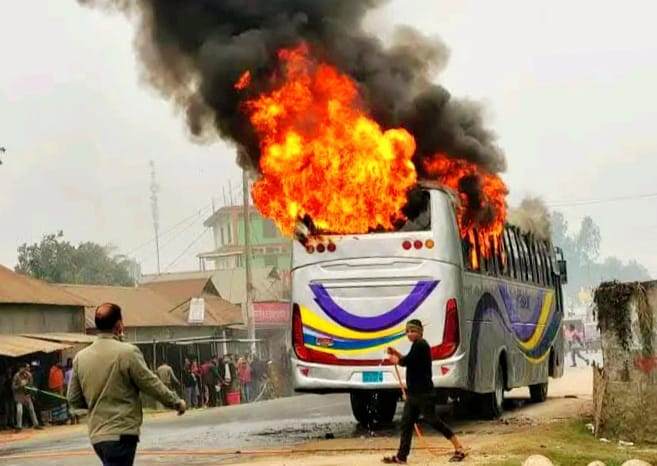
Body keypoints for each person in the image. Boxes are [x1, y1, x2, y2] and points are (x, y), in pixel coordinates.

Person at [68, 303, 186, 466]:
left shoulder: (81, 357)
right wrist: (175, 402)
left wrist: (95, 403)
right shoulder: (128, 352)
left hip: (97, 436)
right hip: (122, 432)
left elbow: (73, 398)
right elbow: (150, 383)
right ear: (119, 324)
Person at [383, 319, 466, 464]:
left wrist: (395, 359)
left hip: (424, 394)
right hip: (414, 394)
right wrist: (397, 354)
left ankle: (458, 447)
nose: (410, 334)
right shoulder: (416, 346)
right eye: (408, 331)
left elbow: (407, 361)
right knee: (406, 423)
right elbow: (409, 360)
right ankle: (401, 456)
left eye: (413, 331)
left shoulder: (421, 345)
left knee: (433, 421)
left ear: (420, 332)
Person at [12, 364, 42, 432]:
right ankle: (19, 426)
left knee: (31, 409)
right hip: (19, 395)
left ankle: (36, 424)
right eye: (22, 368)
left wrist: (30, 391)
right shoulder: (16, 376)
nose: (24, 370)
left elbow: (31, 385)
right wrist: (20, 386)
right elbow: (13, 387)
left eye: (25, 368)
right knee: (19, 411)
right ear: (20, 368)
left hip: (26, 395)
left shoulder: (29, 375)